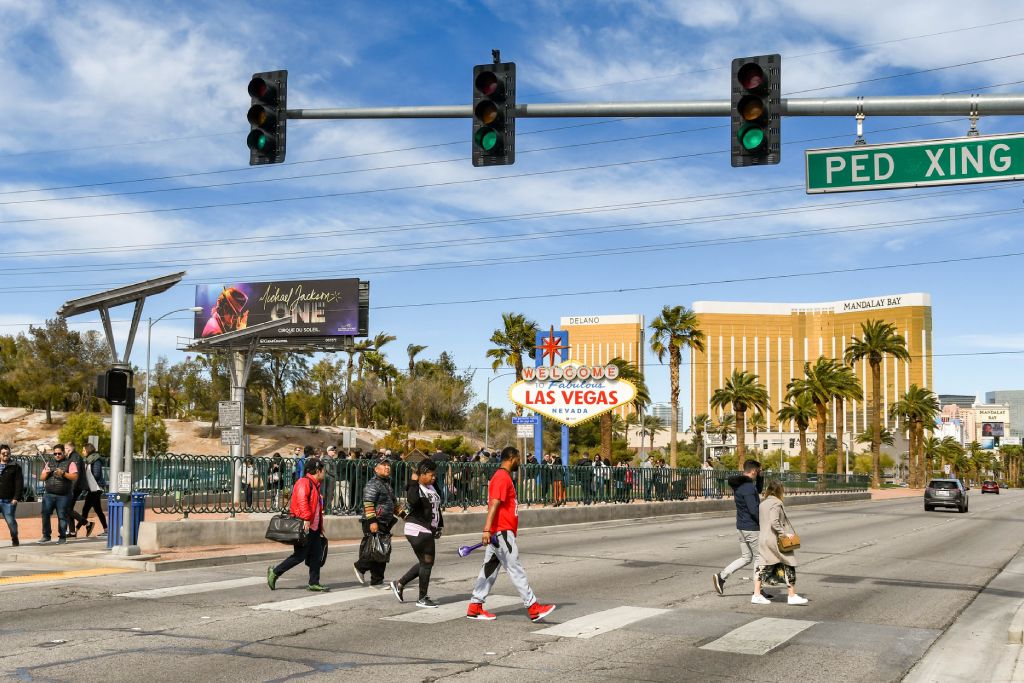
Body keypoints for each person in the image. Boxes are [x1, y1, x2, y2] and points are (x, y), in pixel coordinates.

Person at [467, 446, 556, 622]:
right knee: (515, 569)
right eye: (519, 458)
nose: (520, 462)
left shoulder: (504, 476)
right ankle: (533, 607)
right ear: (512, 458)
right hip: (502, 532)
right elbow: (494, 503)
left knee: (489, 570)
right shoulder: (501, 477)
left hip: (499, 532)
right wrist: (487, 529)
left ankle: (475, 606)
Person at [266, 457, 329, 592]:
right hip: (305, 526)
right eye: (323, 470)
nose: (324, 473)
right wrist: (306, 518)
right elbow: (302, 501)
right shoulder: (304, 482)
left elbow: (316, 507)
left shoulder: (315, 485)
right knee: (300, 556)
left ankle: (314, 582)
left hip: (314, 527)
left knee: (316, 556)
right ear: (317, 471)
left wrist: (319, 526)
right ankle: (275, 572)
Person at [390, 460, 444, 608]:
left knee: (425, 563)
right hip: (417, 528)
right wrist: (414, 481)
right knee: (427, 562)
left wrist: (439, 526)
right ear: (422, 474)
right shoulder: (416, 487)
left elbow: (436, 506)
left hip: (427, 529)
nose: (434, 477)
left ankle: (399, 584)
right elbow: (412, 501)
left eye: (435, 475)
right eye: (431, 475)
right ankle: (422, 598)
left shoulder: (431, 487)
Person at [713, 459, 769, 598]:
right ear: (754, 471)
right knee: (759, 558)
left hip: (742, 527)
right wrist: (764, 523)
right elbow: (754, 510)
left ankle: (721, 576)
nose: (758, 474)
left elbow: (758, 490)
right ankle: (758, 590)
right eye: (758, 472)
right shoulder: (748, 488)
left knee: (746, 557)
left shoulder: (741, 485)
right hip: (751, 528)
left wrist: (761, 477)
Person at [753, 480, 808, 605]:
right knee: (789, 563)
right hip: (774, 539)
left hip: (763, 538)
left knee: (762, 565)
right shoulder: (777, 503)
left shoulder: (763, 503)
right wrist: (784, 533)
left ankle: (756, 594)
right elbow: (774, 521)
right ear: (780, 491)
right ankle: (791, 595)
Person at [353, 455, 402, 588]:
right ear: (376, 468)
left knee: (383, 551)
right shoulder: (373, 484)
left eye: (388, 464)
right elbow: (368, 503)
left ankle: (377, 581)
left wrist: (406, 516)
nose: (387, 467)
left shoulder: (386, 483)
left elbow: (393, 504)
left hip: (385, 522)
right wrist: (373, 521)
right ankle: (360, 567)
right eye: (383, 464)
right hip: (374, 521)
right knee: (375, 551)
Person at [39, 444, 78, 544]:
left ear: (63, 453)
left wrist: (63, 473)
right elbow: (42, 478)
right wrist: (47, 473)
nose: (57, 455)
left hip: (64, 495)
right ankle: (46, 535)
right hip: (49, 494)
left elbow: (74, 477)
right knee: (45, 514)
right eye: (55, 453)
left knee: (62, 516)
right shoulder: (49, 462)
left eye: (59, 453)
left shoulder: (70, 463)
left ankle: (62, 537)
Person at [78, 444, 107, 537]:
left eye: (83, 450)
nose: (82, 452)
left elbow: (97, 474)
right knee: (98, 510)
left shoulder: (95, 460)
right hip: (92, 488)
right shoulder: (88, 460)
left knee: (85, 509)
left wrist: (86, 480)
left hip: (96, 488)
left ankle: (76, 529)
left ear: (88, 450)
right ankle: (106, 529)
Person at [0, 445, 24, 546]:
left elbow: (19, 483)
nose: (6, 455)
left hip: (8, 500)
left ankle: (15, 537)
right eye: (3, 453)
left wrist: (16, 498)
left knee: (11, 522)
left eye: (8, 453)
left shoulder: (15, 466)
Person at [64, 441, 88, 537]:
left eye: (65, 448)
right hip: (75, 487)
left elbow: (75, 475)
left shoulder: (74, 457)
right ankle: (72, 532)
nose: (64, 451)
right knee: (68, 509)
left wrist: (71, 488)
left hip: (75, 487)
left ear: (69, 449)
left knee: (67, 509)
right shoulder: (73, 457)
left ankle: (86, 523)